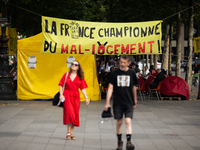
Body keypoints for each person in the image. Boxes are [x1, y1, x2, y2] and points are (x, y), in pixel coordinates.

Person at [104, 55, 138, 150]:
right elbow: (110, 88)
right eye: (121, 62)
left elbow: (134, 87)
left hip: (129, 101)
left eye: (124, 62)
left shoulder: (132, 73)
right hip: (117, 102)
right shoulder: (114, 73)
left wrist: (135, 100)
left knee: (128, 121)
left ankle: (129, 142)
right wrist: (107, 102)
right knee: (119, 122)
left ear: (128, 63)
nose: (122, 64)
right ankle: (120, 142)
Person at [59, 60, 89, 140]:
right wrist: (61, 95)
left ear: (78, 67)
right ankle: (68, 132)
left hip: (76, 97)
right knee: (70, 113)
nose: (73, 65)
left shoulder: (80, 77)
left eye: (75, 65)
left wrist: (86, 97)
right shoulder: (66, 75)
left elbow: (83, 88)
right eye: (72, 64)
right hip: (67, 95)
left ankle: (71, 133)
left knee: (75, 114)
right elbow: (61, 85)